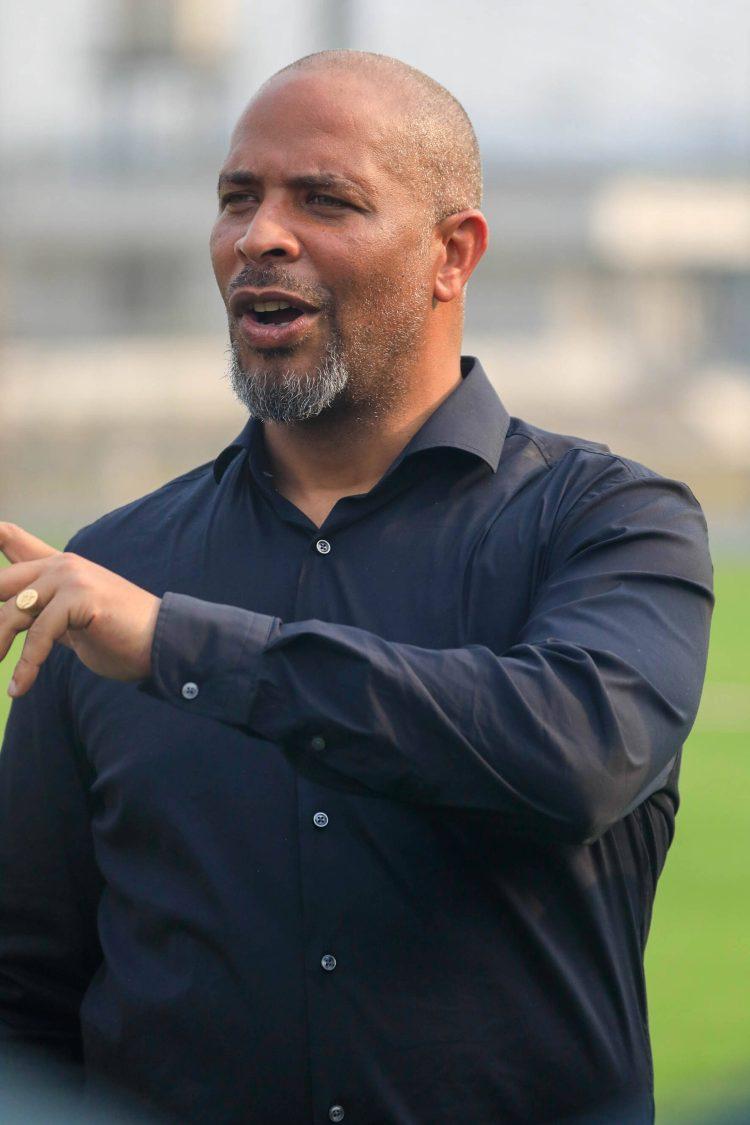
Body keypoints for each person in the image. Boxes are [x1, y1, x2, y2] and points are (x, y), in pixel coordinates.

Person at [0, 50, 713, 1125]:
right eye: (237, 198)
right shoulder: (116, 565)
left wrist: (182, 649)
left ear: (451, 254)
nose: (260, 235)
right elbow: (25, 986)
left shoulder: (610, 523)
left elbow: (577, 751)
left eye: (323, 200)